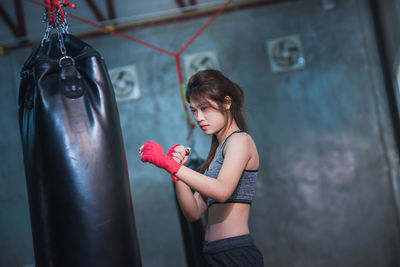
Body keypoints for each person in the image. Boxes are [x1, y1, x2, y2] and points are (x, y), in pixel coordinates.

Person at [139, 69, 264, 266]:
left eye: (204, 108)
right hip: (214, 252)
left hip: (235, 254)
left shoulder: (240, 140)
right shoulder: (216, 152)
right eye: (194, 110)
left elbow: (222, 191)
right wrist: (176, 172)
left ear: (226, 103)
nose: (198, 117)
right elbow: (193, 212)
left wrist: (168, 163)